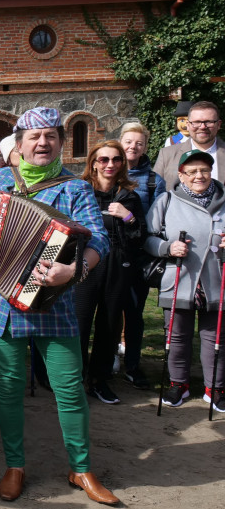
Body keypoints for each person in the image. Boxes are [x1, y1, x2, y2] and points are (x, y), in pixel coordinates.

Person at [0, 107, 118, 506]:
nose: (42, 143)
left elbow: (99, 239)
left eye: (50, 136)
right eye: (34, 137)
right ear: (20, 143)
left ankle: (80, 468)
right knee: (8, 389)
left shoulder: (74, 189)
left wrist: (75, 269)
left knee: (68, 388)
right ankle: (15, 465)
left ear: (61, 142)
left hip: (55, 302)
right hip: (2, 301)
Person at [145, 149, 225, 410]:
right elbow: (148, 238)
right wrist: (168, 248)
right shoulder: (166, 201)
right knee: (177, 336)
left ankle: (215, 388)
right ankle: (178, 384)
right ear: (181, 175)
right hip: (180, 277)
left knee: (216, 337)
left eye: (204, 170)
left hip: (217, 279)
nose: (199, 176)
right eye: (192, 171)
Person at [75, 141, 146, 403]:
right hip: (86, 263)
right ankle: (76, 378)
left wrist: (127, 217)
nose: (110, 165)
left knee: (109, 323)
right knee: (80, 323)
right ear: (93, 162)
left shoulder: (129, 196)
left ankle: (99, 379)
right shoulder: (81, 192)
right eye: (103, 159)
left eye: (116, 160)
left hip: (118, 265)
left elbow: (140, 236)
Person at [120, 121, 165, 387]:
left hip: (138, 254)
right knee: (108, 310)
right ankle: (107, 358)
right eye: (128, 141)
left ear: (145, 146)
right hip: (112, 252)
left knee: (134, 313)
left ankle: (133, 366)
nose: (133, 147)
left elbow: (156, 219)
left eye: (139, 142)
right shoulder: (108, 171)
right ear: (121, 141)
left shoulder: (153, 180)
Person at [154, 101, 225, 184]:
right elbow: (155, 191)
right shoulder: (166, 154)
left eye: (208, 122)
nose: (202, 127)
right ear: (188, 125)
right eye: (196, 122)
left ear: (219, 124)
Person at [121, 122, 165, 216]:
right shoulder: (107, 174)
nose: (133, 146)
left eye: (139, 144)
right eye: (128, 142)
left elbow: (158, 218)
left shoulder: (155, 182)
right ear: (120, 144)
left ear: (145, 148)